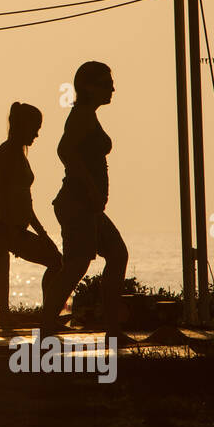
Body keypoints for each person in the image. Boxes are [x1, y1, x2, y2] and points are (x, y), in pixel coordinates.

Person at [42, 61, 129, 344]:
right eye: (106, 83)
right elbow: (64, 150)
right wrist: (91, 189)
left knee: (116, 254)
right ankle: (44, 328)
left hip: (88, 208)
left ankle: (112, 330)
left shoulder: (88, 115)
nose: (112, 89)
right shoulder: (80, 115)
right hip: (77, 204)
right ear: (88, 87)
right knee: (77, 265)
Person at [0, 102, 63, 334]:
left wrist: (42, 233)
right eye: (35, 128)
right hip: (2, 228)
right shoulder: (5, 153)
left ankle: (30, 316)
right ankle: (47, 317)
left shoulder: (19, 153)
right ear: (23, 126)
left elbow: (26, 203)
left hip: (10, 228)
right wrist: (15, 232)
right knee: (54, 262)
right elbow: (4, 196)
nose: (37, 134)